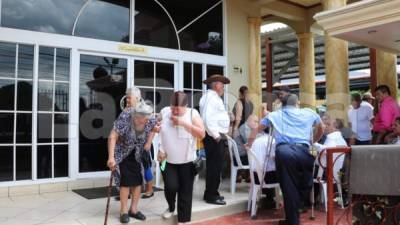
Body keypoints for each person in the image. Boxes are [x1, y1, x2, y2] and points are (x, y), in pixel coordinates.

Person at [247, 94, 324, 225]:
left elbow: (256, 129)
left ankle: (293, 216)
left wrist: (249, 144)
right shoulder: (309, 112)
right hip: (305, 150)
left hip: (284, 152)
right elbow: (321, 128)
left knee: (289, 187)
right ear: (297, 103)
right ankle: (296, 211)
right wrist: (313, 141)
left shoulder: (274, 115)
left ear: (282, 104)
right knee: (305, 182)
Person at [157, 92, 206, 225]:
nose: (175, 111)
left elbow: (202, 134)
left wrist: (183, 123)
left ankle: (184, 221)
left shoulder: (192, 114)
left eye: (178, 108)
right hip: (165, 160)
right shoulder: (165, 111)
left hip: (188, 161)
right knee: (170, 186)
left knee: (185, 191)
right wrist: (159, 148)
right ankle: (171, 206)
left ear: (186, 106)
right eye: (173, 107)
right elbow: (155, 125)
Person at [107, 101, 158, 223]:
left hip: (138, 151)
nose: (147, 122)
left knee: (138, 180)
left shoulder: (149, 118)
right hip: (122, 151)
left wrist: (148, 142)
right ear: (137, 116)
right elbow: (112, 136)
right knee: (126, 181)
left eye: (148, 119)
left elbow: (153, 128)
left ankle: (133, 210)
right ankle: (123, 211)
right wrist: (111, 157)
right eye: (144, 120)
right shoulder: (126, 117)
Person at [199, 74, 230, 205]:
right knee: (214, 167)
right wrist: (216, 135)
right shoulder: (211, 98)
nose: (223, 87)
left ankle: (212, 192)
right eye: (222, 85)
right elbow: (206, 119)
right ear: (216, 85)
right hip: (214, 137)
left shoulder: (211, 97)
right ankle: (211, 195)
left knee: (215, 166)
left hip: (214, 135)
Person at [233, 114, 259, 182]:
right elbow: (250, 142)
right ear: (249, 121)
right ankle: (255, 179)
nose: (257, 124)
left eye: (257, 122)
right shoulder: (245, 128)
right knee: (259, 158)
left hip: (240, 156)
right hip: (240, 159)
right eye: (255, 121)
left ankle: (249, 177)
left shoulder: (246, 127)